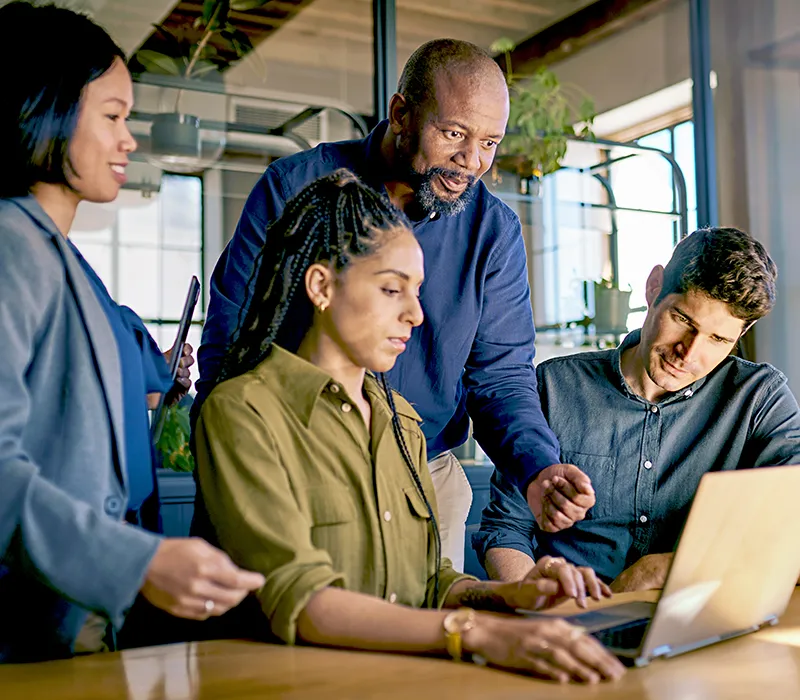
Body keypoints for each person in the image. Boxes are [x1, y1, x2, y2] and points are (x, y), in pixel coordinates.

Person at [195, 169, 625, 684]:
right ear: (321, 286)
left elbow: (429, 584)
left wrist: (513, 595)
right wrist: (480, 633)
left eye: (417, 291)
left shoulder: (400, 419)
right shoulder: (244, 412)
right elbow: (304, 602)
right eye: (391, 289)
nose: (416, 315)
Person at [194, 38, 594, 571]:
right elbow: (233, 345)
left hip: (423, 475)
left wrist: (538, 467)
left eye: (490, 142)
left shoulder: (492, 231)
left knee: (427, 615)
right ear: (401, 113)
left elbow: (500, 378)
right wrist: (233, 463)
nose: (471, 161)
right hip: (293, 462)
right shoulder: (295, 189)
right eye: (454, 133)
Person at [0, 1, 263, 663]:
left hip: (74, 611)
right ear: (48, 111)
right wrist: (135, 562)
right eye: (113, 116)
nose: (129, 141)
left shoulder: (62, 260)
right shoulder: (11, 247)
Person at [474, 227, 800, 590]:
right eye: (683, 320)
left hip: (695, 613)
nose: (688, 354)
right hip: (571, 613)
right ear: (654, 288)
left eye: (718, 339)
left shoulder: (760, 398)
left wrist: (664, 568)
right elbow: (506, 529)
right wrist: (534, 606)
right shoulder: (554, 385)